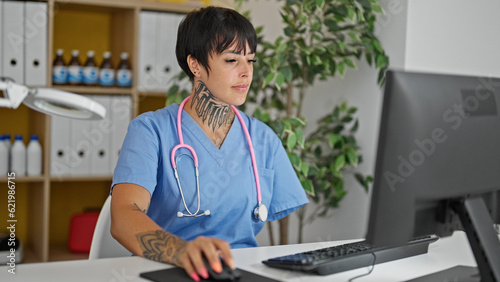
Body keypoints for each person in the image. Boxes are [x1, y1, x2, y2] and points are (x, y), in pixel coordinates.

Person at [110, 6, 308, 282]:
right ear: (196, 65)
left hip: (240, 273)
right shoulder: (150, 131)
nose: (246, 73)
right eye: (231, 60)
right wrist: (181, 251)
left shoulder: (262, 139)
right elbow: (123, 217)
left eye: (250, 60)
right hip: (166, 270)